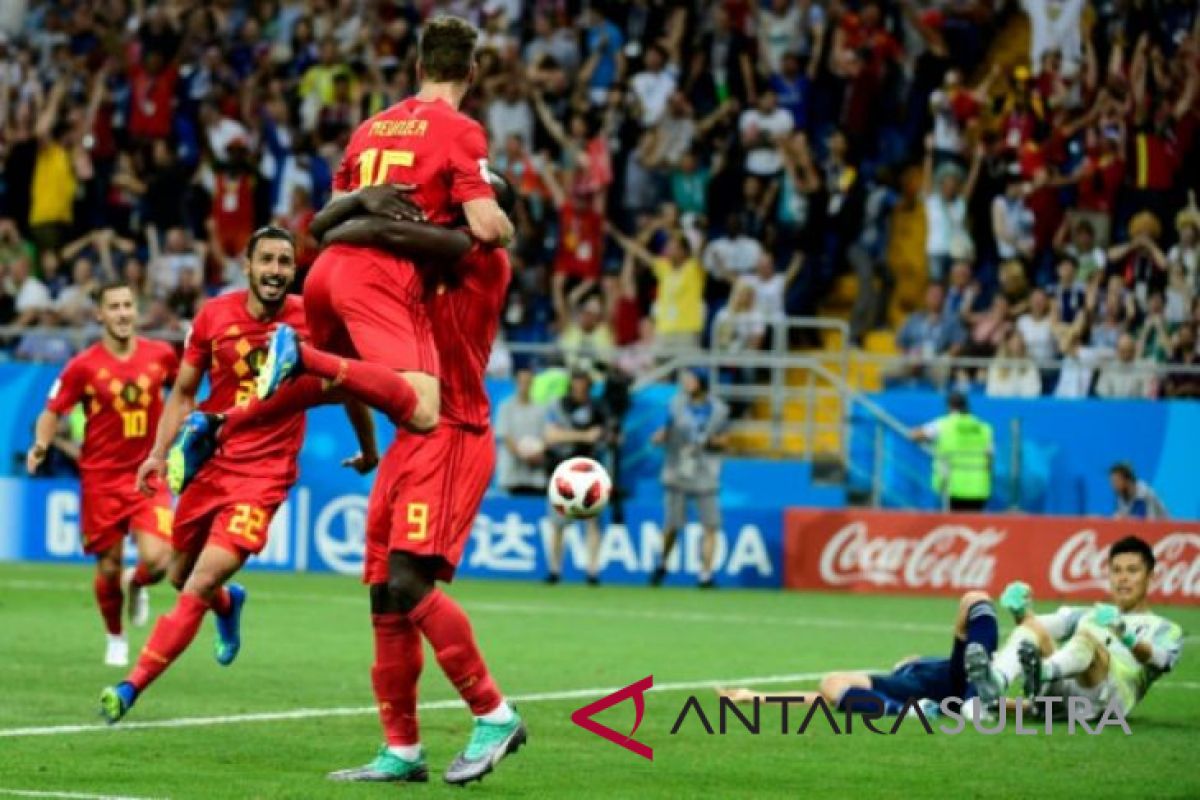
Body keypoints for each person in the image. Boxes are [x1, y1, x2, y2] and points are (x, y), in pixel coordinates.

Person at [197, 176, 526, 784]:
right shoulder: (409, 273)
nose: (455, 201)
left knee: (407, 579)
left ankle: (494, 713)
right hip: (411, 438)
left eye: (475, 197)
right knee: (382, 593)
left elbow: (371, 229)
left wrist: (354, 209)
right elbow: (339, 376)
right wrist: (227, 422)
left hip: (453, 433)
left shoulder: (482, 256)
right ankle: (402, 750)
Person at [99, 228, 373, 722]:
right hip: (209, 464)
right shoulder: (213, 316)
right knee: (181, 577)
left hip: (263, 478)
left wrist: (369, 450)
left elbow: (348, 384)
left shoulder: (311, 320)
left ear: (294, 271)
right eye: (266, 259)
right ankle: (229, 606)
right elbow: (184, 391)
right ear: (246, 266)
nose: (275, 270)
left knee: (198, 582)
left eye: (285, 263)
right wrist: (158, 452)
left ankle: (129, 686)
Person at [277, 15, 514, 438]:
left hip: (325, 274)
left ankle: (223, 421)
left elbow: (334, 215)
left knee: (338, 384)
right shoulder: (461, 130)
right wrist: (505, 223)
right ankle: (301, 356)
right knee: (424, 411)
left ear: (419, 69)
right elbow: (487, 228)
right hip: (380, 277)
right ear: (472, 73)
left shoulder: (369, 127)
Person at [25, 282, 178, 666]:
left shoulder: (161, 355)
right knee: (107, 566)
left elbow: (184, 392)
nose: (123, 312)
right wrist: (41, 445)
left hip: (148, 473)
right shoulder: (83, 366)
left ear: (136, 310)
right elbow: (52, 410)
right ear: (100, 315)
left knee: (160, 560)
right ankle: (115, 635)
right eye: (115, 306)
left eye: (129, 305)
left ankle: (137, 582)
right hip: (102, 479)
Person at [967, 536, 1183, 720]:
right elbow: (1040, 628)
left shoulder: (1165, 627)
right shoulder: (1091, 614)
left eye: (1132, 570)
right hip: (1065, 688)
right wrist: (1021, 611)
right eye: (1116, 571)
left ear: (1151, 575)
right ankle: (996, 681)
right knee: (1032, 627)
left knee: (1087, 638)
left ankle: (1041, 674)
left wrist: (1124, 633)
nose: (1123, 578)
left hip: (1108, 698)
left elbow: (1163, 660)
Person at [719, 591, 1000, 716]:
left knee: (974, 599)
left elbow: (829, 695)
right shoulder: (895, 682)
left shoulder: (902, 674)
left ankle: (975, 696)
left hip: (961, 677)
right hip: (942, 689)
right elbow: (822, 700)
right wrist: (757, 697)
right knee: (832, 685)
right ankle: (930, 710)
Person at [649, 369, 730, 589]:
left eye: (690, 379)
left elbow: (726, 440)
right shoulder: (676, 406)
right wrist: (661, 436)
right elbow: (665, 430)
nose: (686, 383)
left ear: (701, 382)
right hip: (679, 470)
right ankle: (663, 563)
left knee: (711, 525)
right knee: (672, 525)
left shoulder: (719, 410)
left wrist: (713, 441)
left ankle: (705, 574)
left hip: (706, 471)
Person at [544, 369, 608, 585]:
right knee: (558, 523)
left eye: (583, 383)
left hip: (590, 471)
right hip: (563, 470)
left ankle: (592, 570)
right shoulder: (559, 405)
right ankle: (554, 569)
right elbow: (551, 436)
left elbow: (604, 435)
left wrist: (598, 437)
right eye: (576, 383)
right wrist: (583, 436)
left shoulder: (597, 407)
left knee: (592, 522)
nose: (579, 387)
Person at [910, 391, 993, 511]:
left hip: (953, 485)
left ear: (949, 406)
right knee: (974, 525)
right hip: (979, 486)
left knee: (954, 524)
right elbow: (989, 457)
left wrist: (924, 438)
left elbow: (915, 435)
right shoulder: (983, 427)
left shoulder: (943, 424)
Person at [496, 366, 549, 496]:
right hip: (513, 474)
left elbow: (546, 436)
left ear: (532, 383)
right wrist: (524, 454)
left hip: (535, 474)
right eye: (521, 382)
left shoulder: (541, 409)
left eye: (528, 382)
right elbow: (505, 436)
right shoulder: (505, 407)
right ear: (516, 383)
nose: (524, 385)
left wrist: (538, 452)